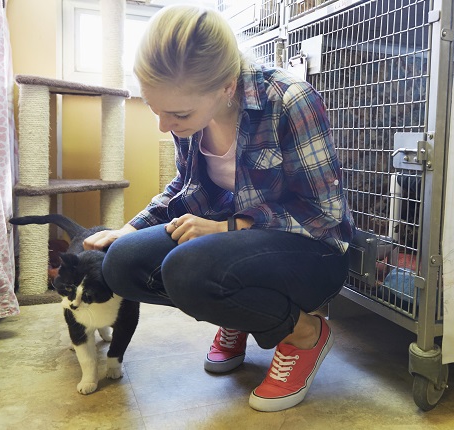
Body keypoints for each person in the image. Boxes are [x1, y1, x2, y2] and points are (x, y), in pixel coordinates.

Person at [84, 5, 355, 412]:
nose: (164, 125)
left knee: (188, 270)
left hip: (312, 251)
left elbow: (324, 215)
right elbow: (186, 186)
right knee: (123, 263)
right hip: (239, 242)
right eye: (155, 109)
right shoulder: (188, 118)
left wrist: (232, 226)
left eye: (177, 113)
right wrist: (131, 229)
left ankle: (304, 333)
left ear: (227, 87)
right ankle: (244, 312)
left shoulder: (290, 101)